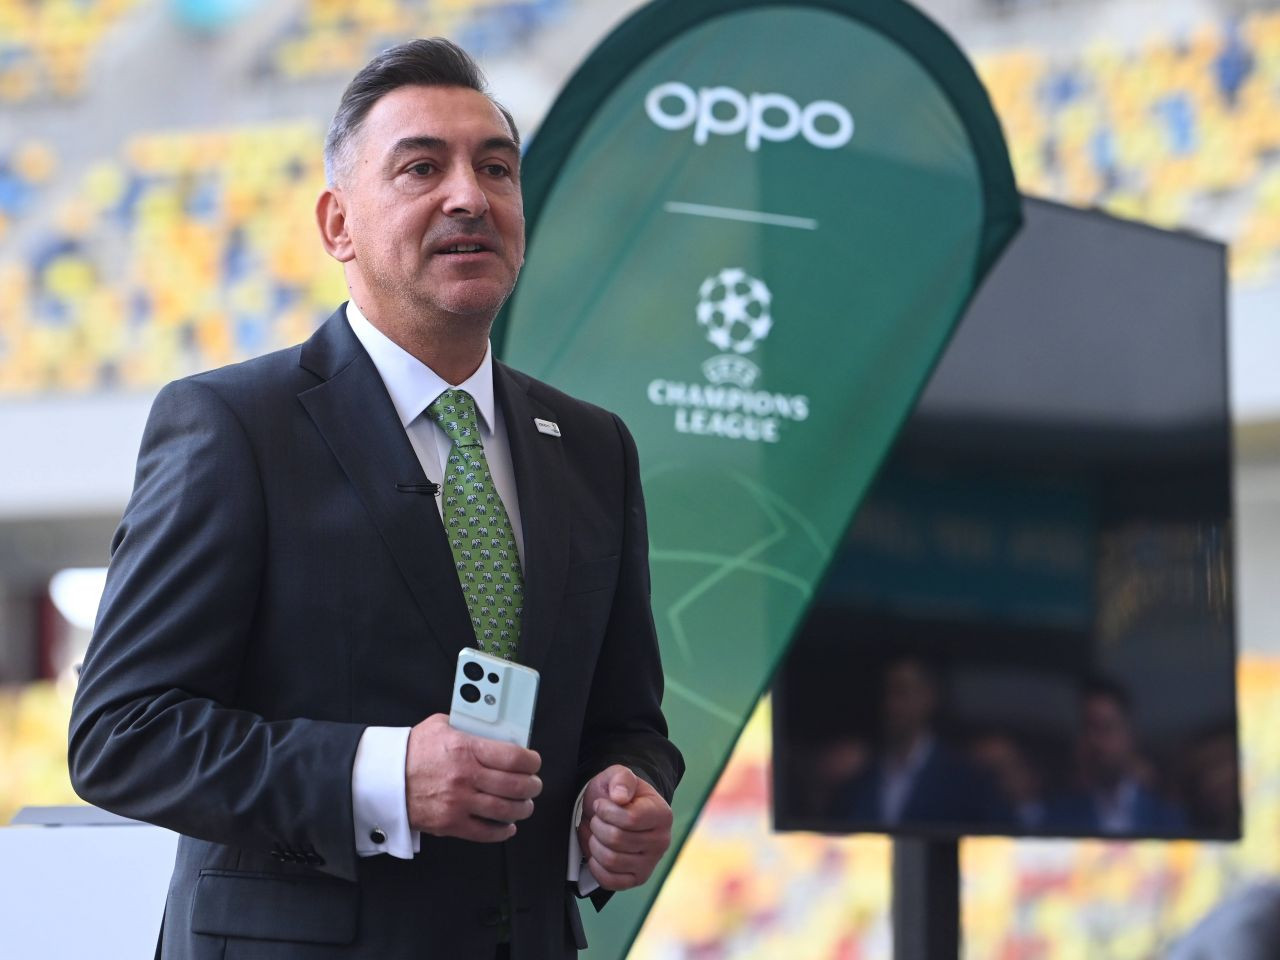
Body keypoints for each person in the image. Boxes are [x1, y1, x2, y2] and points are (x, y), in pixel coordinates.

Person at [67, 38, 683, 960]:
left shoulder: (595, 448)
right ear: (338, 224)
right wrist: (383, 775)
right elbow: (122, 734)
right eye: (422, 168)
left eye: (496, 168)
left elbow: (627, 721)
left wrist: (621, 793)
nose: (469, 196)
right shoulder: (232, 426)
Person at [828, 657, 1008, 827]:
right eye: (887, 693)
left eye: (902, 692)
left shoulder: (964, 779)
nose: (891, 705)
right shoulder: (860, 775)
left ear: (929, 697)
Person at [1046, 678, 1183, 835]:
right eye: (1087, 729)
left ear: (1129, 734)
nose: (1094, 741)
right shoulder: (1058, 814)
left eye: (1105, 728)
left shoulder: (1164, 813)